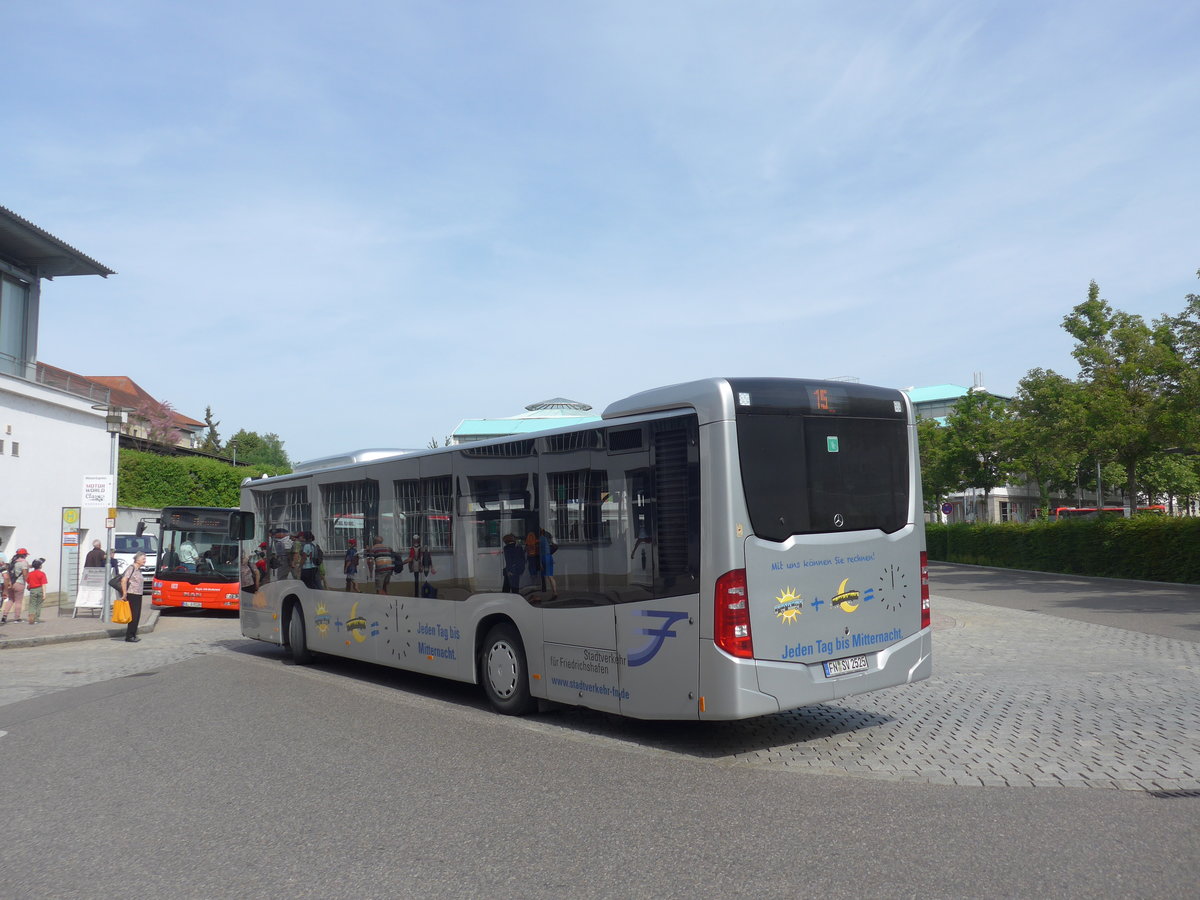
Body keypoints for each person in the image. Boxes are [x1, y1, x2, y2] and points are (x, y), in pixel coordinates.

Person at [118, 551, 146, 643]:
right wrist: (124, 593)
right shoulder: (131, 568)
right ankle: (129, 636)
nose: (145, 561)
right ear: (137, 559)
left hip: (138, 594)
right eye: (143, 559)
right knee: (133, 615)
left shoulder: (138, 569)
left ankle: (133, 634)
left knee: (137, 615)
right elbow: (123, 580)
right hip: (132, 594)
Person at [1, 548, 30, 624]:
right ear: (24, 555)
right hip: (19, 583)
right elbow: (24, 574)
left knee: (10, 600)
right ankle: (17, 618)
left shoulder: (12, 561)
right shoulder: (24, 563)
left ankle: (4, 616)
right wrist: (28, 582)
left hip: (11, 583)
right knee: (18, 601)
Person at [25, 558, 48, 624]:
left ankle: (31, 616)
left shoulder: (30, 574)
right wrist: (44, 594)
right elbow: (43, 584)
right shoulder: (42, 574)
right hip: (40, 589)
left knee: (32, 604)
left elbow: (28, 582)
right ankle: (36, 618)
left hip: (33, 590)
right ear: (40, 566)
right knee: (38, 605)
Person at [539, 529, 558, 597]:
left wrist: (540, 562)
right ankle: (555, 592)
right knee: (550, 576)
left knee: (545, 576)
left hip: (544, 558)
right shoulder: (547, 539)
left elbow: (540, 552)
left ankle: (543, 589)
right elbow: (555, 545)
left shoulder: (540, 539)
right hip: (549, 557)